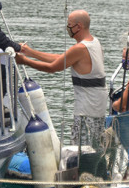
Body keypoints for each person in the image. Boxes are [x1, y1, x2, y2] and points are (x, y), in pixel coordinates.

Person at [16, 9, 107, 147]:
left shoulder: (81, 48)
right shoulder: (94, 42)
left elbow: (52, 67)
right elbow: (61, 59)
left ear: (78, 26)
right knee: (94, 148)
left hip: (86, 112)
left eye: (69, 24)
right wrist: (30, 52)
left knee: (81, 150)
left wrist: (24, 61)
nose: (67, 28)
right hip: (97, 109)